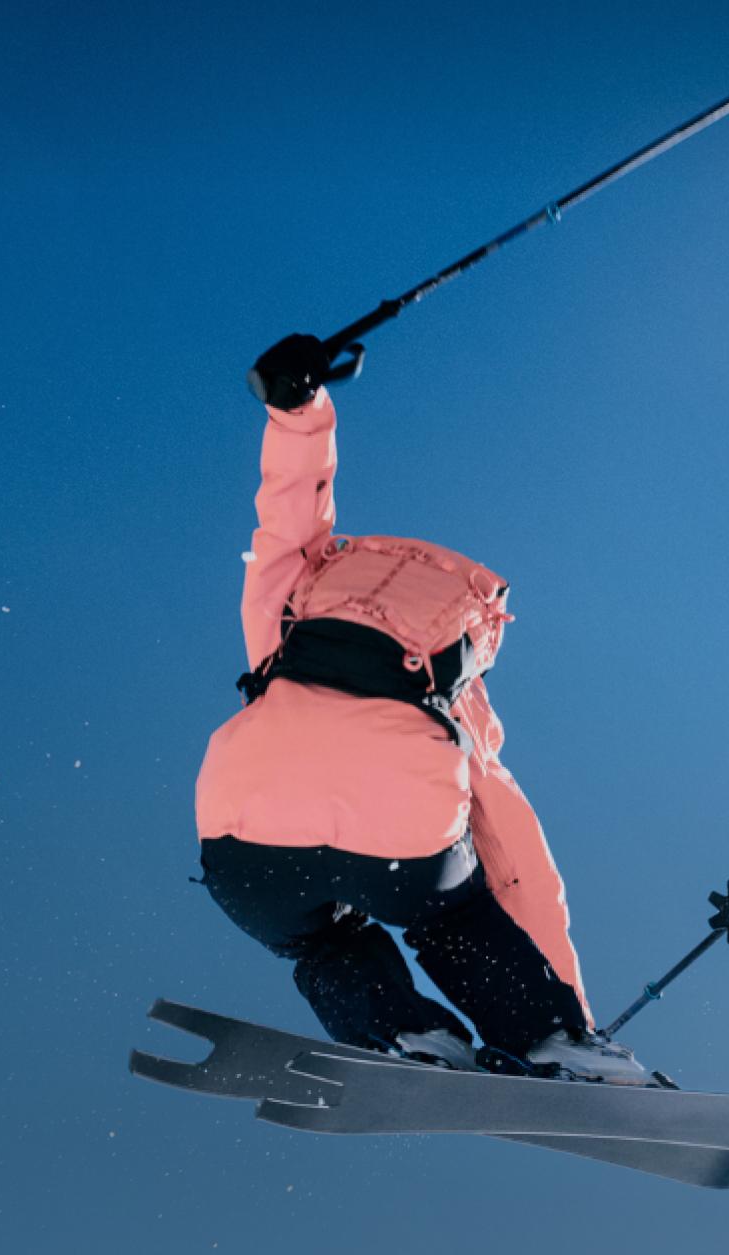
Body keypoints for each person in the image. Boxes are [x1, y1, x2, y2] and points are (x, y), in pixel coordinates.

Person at [189, 334, 660, 1087]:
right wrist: (568, 1018)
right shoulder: (454, 700)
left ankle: (403, 1034)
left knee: (321, 941)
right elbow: (514, 860)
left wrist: (297, 408)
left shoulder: (288, 618)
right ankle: (552, 1046)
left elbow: (285, 514)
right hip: (399, 827)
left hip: (243, 837)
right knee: (456, 918)